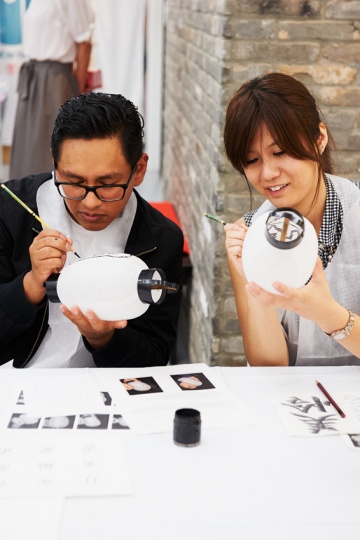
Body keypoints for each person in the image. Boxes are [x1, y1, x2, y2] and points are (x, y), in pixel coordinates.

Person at [0, 92, 183, 368]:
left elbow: (154, 357)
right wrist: (30, 285)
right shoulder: (10, 209)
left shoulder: (160, 239)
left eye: (108, 184)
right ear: (55, 165)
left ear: (139, 170)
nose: (90, 202)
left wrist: (104, 339)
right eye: (73, 181)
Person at [224, 72, 360, 367]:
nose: (268, 173)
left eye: (280, 152)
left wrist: (327, 314)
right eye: (252, 160)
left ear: (319, 139)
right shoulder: (248, 235)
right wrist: (252, 275)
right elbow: (269, 367)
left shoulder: (356, 212)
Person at [9, 0, 95, 179]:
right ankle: (26, 203)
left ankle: (54, 204)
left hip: (55, 82)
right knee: (29, 152)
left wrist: (77, 94)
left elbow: (84, 43)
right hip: (33, 77)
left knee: (52, 151)